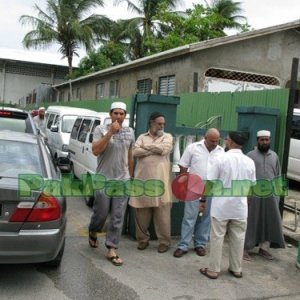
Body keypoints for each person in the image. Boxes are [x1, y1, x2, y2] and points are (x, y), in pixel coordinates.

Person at [200, 131, 256, 279]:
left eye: (226, 139)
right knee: (238, 237)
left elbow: (210, 183)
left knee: (217, 237)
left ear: (230, 142)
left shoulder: (221, 159)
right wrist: (247, 201)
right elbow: (251, 187)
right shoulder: (249, 161)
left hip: (221, 207)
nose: (225, 141)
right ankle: (236, 269)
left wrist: (203, 200)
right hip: (240, 207)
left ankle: (213, 270)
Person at [88, 102, 135, 266]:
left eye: (122, 114)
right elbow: (95, 150)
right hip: (104, 179)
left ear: (125, 115)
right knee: (101, 213)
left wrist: (131, 176)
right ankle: (93, 231)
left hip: (122, 180)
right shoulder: (100, 129)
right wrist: (110, 133)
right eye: (116, 113)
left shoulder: (130, 132)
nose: (119, 116)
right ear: (110, 114)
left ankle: (112, 248)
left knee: (117, 216)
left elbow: (130, 155)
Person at [173, 128, 224, 258]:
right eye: (212, 141)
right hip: (194, 187)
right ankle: (183, 245)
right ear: (205, 138)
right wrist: (183, 183)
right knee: (190, 217)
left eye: (217, 141)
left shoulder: (221, 151)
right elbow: (183, 165)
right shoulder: (193, 148)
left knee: (206, 217)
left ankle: (200, 244)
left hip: (212, 188)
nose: (214, 144)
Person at [129, 112, 173, 253]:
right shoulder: (142, 137)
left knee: (163, 216)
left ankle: (164, 242)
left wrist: (146, 148)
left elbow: (164, 149)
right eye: (159, 123)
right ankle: (142, 240)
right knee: (141, 213)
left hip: (161, 182)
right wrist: (153, 149)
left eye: (163, 124)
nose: (162, 126)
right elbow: (134, 152)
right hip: (143, 181)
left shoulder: (167, 137)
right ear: (152, 122)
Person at [243, 130, 285, 261]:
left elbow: (278, 175)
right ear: (257, 140)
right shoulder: (250, 155)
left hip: (271, 196)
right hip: (254, 194)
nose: (265, 142)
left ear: (270, 140)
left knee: (269, 221)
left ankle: (264, 248)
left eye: (267, 139)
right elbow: (245, 176)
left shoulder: (274, 156)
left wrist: (278, 194)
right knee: (251, 220)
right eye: (262, 140)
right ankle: (245, 248)